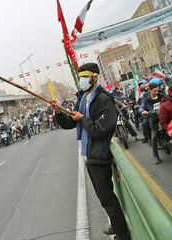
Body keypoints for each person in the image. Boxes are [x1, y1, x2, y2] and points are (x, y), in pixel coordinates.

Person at [51, 63, 130, 240]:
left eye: (85, 77)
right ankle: (117, 225)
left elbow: (101, 129)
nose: (82, 81)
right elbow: (70, 123)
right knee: (104, 198)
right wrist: (59, 113)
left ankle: (123, 235)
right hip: (89, 154)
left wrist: (83, 118)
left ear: (95, 77)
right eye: (79, 78)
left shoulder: (104, 99)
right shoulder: (82, 98)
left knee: (108, 199)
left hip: (99, 155)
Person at [139, 82, 165, 164]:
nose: (156, 92)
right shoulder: (146, 100)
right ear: (149, 90)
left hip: (165, 118)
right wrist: (143, 111)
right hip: (154, 120)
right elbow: (141, 107)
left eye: (157, 90)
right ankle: (155, 156)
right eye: (154, 91)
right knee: (154, 137)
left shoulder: (162, 96)